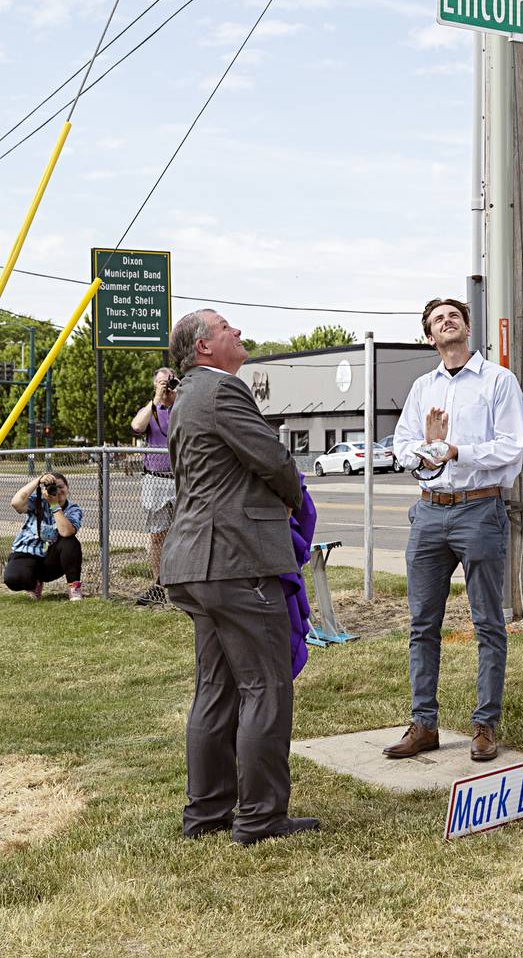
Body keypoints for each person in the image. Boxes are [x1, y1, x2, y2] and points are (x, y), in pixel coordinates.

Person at [160, 309, 319, 843]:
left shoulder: (186, 399)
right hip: (236, 560)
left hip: (198, 566)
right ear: (205, 347)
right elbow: (274, 460)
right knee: (265, 687)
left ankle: (206, 814)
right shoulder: (223, 392)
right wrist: (298, 501)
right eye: (227, 328)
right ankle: (260, 817)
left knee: (217, 688)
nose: (239, 332)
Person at [385, 296, 523, 763]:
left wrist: (456, 451)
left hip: (479, 510)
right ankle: (423, 724)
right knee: (422, 623)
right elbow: (401, 447)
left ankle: (485, 725)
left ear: (468, 327)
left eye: (453, 317)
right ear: (430, 336)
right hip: (429, 512)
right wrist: (426, 447)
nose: (446, 323)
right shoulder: (422, 386)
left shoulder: (498, 381)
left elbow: (511, 448)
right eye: (437, 320)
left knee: (488, 621)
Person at [131, 367, 177, 607]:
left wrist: (176, 397)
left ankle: (183, 585)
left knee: (186, 533)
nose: (166, 386)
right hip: (155, 480)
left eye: (169, 381)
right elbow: (137, 427)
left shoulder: (182, 406)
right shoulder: (150, 410)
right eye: (161, 383)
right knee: (157, 536)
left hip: (182, 479)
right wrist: (157, 400)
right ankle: (158, 585)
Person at [4, 472, 84, 601]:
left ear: (67, 487)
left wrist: (55, 506)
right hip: (27, 552)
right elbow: (16, 503)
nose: (57, 491)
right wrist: (38, 480)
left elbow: (66, 532)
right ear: (45, 490)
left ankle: (74, 588)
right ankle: (33, 584)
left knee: (70, 542)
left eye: (61, 486)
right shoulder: (37, 502)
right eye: (53, 487)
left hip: (51, 560)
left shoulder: (73, 509)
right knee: (12, 579)